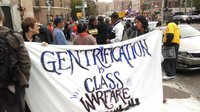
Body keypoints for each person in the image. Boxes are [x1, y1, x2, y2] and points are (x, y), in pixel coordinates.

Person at [0, 7, 31, 112]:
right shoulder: (15, 37)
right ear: (3, 17)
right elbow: (26, 64)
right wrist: (20, 86)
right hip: (12, 87)